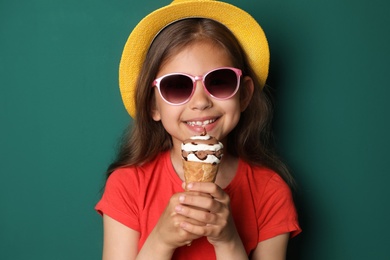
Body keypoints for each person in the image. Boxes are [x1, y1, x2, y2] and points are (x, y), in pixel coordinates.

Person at [95, 0, 301, 259]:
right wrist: (161, 240)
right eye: (177, 86)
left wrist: (228, 241)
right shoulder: (128, 185)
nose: (201, 101)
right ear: (153, 106)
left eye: (220, 82)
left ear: (245, 95)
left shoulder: (270, 191)